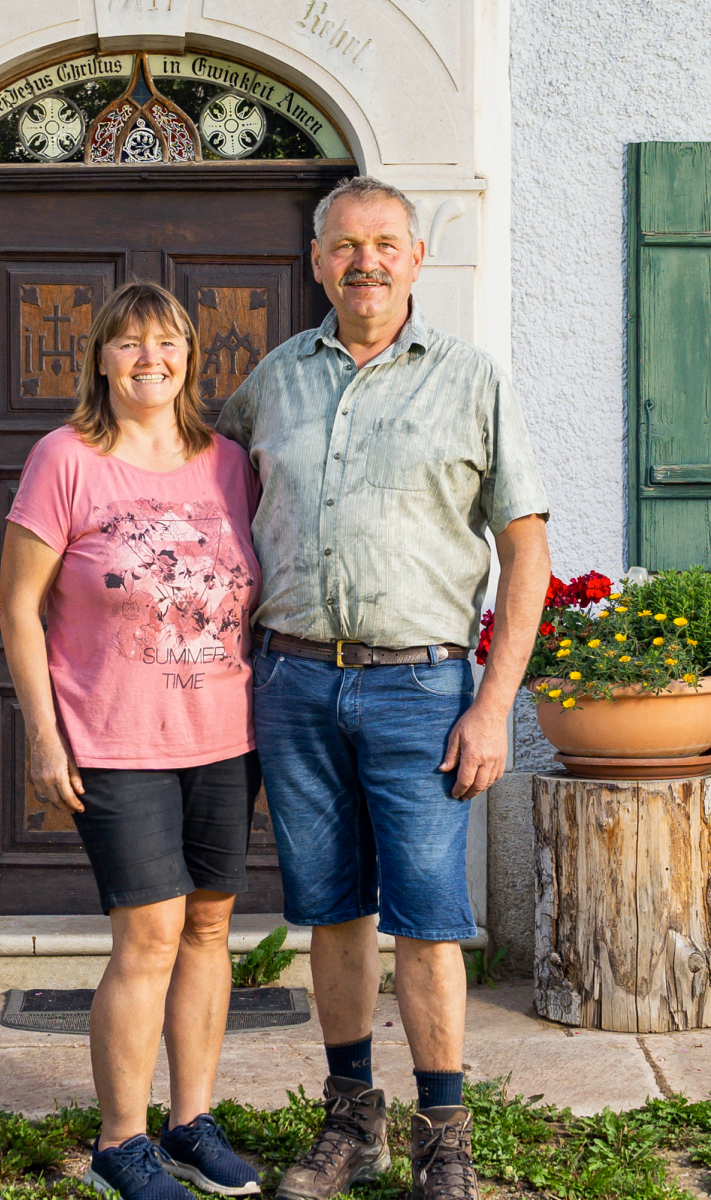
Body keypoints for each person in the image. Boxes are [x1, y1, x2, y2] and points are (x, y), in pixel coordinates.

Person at [214, 177, 552, 1200]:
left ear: (416, 258)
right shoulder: (270, 383)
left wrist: (493, 705)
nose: (366, 262)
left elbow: (526, 555)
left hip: (423, 692)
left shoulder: (472, 380)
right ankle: (351, 1122)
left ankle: (444, 1139)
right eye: (346, 245)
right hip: (293, 683)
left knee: (428, 917)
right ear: (318, 261)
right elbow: (211, 523)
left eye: (386, 244)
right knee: (332, 912)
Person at [0, 282, 267, 1200]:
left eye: (168, 342)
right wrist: (43, 735)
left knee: (209, 927)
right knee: (149, 933)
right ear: (102, 359)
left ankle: (190, 1122)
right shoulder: (65, 458)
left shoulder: (230, 464)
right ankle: (122, 1140)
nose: (150, 359)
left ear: (190, 357)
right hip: (113, 741)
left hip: (222, 734)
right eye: (129, 343)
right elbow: (18, 607)